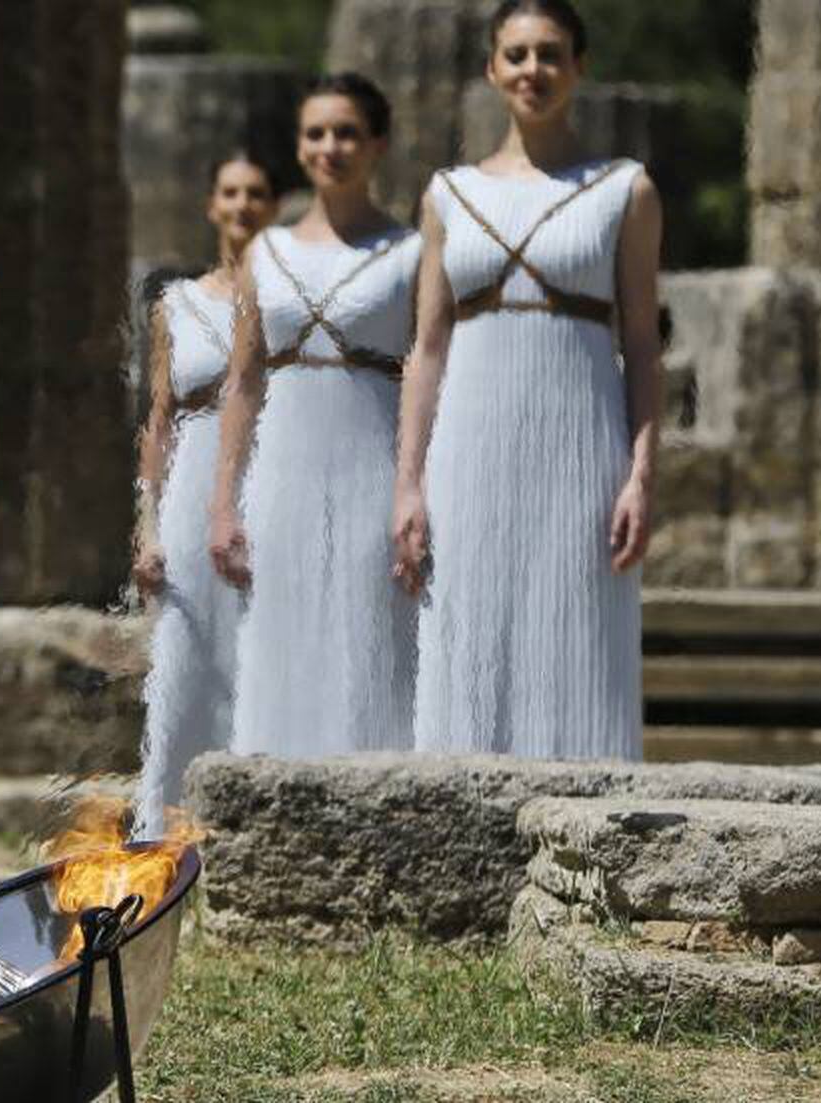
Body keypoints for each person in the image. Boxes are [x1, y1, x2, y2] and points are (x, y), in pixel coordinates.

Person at [393, 0, 660, 759]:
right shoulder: (448, 195)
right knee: (468, 635)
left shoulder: (626, 191)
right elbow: (428, 347)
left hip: (580, 448)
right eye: (516, 55)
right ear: (491, 69)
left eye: (549, 54)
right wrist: (408, 481)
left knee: (578, 639)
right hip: (469, 452)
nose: (532, 70)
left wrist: (642, 474)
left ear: (579, 67)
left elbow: (641, 346)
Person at [208, 75, 421, 756]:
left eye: (347, 132)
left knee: (370, 639)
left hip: (372, 461)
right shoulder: (265, 252)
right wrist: (223, 501)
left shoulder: (414, 251)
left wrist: (416, 488)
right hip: (284, 468)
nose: (331, 147)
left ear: (378, 144)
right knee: (280, 637)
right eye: (316, 133)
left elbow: (426, 370)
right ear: (300, 147)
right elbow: (243, 381)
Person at [132, 152, 278, 833]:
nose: (243, 205)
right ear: (212, 206)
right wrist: (147, 523)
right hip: (193, 484)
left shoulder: (289, 297)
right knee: (187, 656)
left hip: (269, 475)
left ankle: (250, 825)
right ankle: (165, 824)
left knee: (262, 649)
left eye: (256, 194)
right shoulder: (176, 304)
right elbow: (159, 419)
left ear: (274, 207)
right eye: (231, 193)